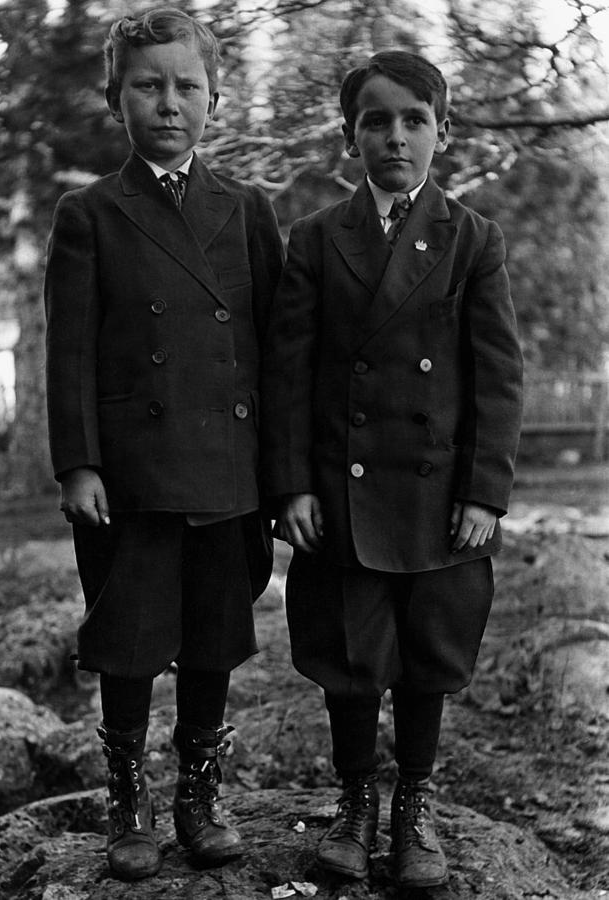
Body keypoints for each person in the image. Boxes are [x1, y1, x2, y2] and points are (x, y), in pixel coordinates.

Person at [261, 50, 523, 889]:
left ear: (441, 133)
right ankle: (353, 802)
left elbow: (498, 375)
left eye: (414, 119)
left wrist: (485, 490)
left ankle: (413, 803)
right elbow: (288, 373)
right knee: (349, 653)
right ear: (350, 137)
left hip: (440, 493)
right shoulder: (313, 238)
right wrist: (292, 484)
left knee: (425, 655)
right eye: (376, 120)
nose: (395, 136)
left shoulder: (471, 238)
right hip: (343, 491)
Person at [44, 7, 283, 882]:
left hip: (227, 468)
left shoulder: (248, 211)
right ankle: (128, 802)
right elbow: (69, 348)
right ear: (117, 99)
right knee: (131, 639)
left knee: (214, 637)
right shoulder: (90, 213)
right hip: (132, 477)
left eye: (186, 86)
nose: (169, 104)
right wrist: (78, 461)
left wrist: (280, 474)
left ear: (214, 98)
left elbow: (274, 353)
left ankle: (199, 796)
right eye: (148, 86)